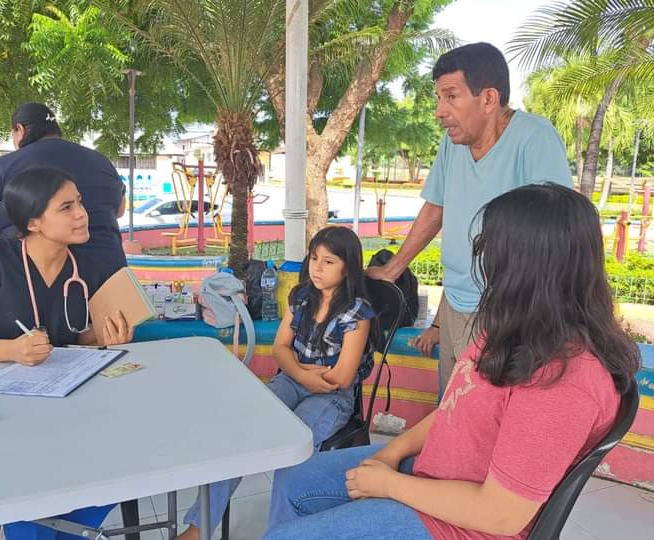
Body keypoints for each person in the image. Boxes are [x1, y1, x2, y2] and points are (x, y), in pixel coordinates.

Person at [264, 184, 641, 540]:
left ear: (525, 267)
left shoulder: (565, 381)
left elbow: (502, 514)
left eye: (490, 250)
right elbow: (455, 409)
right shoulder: (516, 329)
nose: (482, 262)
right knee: (295, 480)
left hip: (460, 526)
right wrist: (392, 452)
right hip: (432, 473)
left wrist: (390, 485)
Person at [367, 43, 573, 394]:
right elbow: (436, 208)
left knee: (482, 412)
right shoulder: (453, 143)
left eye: (451, 97)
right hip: (455, 302)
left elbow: (559, 229)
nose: (439, 111)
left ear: (489, 98)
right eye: (438, 98)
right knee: (449, 408)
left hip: (506, 313)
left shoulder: (535, 138)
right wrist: (393, 270)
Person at [0, 167, 133, 539]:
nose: (82, 214)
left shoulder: (85, 267)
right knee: (32, 486)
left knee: (117, 465)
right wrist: (13, 349)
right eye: (66, 207)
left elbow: (73, 340)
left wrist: (105, 338)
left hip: (65, 409)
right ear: (33, 222)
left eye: (80, 202)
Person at [179, 226, 378, 540]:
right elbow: (279, 348)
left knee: (294, 449)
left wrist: (297, 368)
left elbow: (340, 377)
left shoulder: (356, 313)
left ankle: (281, 533)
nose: (317, 267)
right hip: (294, 379)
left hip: (332, 396)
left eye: (328, 262)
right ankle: (198, 528)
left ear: (348, 268)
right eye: (314, 258)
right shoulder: (301, 297)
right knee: (240, 432)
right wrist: (300, 373)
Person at [0, 102, 127, 275]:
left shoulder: (4, 165)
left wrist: (11, 230)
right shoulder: (101, 161)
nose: (80, 214)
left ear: (20, 129)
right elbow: (119, 210)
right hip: (111, 271)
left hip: (35, 275)